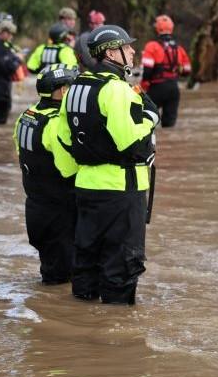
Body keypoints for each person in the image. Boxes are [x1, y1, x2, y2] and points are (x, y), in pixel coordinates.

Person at [58, 24, 160, 305]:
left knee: (87, 263)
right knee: (121, 269)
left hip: (86, 188)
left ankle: (80, 333)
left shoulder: (75, 88)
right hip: (122, 192)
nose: (133, 51)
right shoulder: (117, 90)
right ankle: (115, 342)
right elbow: (127, 139)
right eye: (127, 47)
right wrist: (150, 118)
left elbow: (63, 138)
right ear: (111, 53)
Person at [14, 67, 80, 285]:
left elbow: (20, 152)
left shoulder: (27, 115)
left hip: (35, 206)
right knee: (63, 281)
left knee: (51, 273)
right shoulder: (56, 124)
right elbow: (69, 169)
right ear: (61, 91)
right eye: (71, 87)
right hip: (58, 211)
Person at [140, 15, 193, 127]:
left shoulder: (152, 46)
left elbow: (147, 70)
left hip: (156, 88)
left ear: (157, 29)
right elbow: (187, 71)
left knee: (145, 121)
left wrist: (144, 84)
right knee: (169, 126)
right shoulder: (179, 48)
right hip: (174, 89)